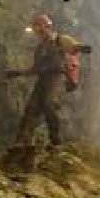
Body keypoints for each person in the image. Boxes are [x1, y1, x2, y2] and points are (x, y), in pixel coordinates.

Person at [7, 13, 76, 146]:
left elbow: (73, 46)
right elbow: (35, 69)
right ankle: (21, 143)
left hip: (57, 77)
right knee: (31, 109)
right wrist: (18, 73)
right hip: (42, 79)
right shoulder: (39, 48)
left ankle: (56, 140)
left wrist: (79, 47)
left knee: (49, 103)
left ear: (48, 25)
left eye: (40, 25)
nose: (38, 29)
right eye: (36, 27)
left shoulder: (60, 40)